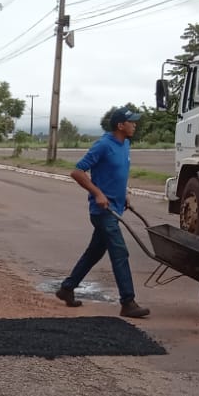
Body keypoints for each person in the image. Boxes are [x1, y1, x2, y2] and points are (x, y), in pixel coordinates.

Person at [55, 107, 150, 319]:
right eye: (131, 122)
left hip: (115, 208)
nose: (135, 125)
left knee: (94, 253)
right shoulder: (103, 145)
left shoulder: (125, 144)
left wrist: (123, 193)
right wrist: (97, 193)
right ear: (120, 125)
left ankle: (67, 288)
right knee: (120, 252)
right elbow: (77, 172)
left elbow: (117, 173)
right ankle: (128, 302)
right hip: (102, 211)